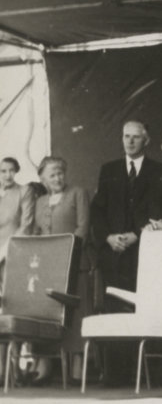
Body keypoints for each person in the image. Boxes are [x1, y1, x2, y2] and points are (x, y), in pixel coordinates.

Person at [91, 121, 162, 303]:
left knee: (143, 306)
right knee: (114, 309)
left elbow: (159, 210)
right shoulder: (109, 169)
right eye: (126, 136)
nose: (130, 141)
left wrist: (138, 235)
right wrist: (108, 237)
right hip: (113, 252)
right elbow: (98, 209)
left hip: (144, 251)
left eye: (136, 137)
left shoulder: (160, 171)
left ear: (146, 141)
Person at [30, 156, 92, 380]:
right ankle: (44, 366)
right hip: (48, 267)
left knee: (76, 315)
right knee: (48, 315)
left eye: (60, 173)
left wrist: (68, 253)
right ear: (42, 178)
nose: (57, 178)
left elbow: (83, 227)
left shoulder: (78, 193)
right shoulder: (40, 201)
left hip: (75, 264)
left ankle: (78, 367)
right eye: (52, 174)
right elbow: (37, 232)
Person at [0, 157, 35, 271]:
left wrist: (6, 250)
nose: (8, 175)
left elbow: (26, 224)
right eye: (3, 171)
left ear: (16, 171)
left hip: (12, 249)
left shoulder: (24, 191)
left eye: (11, 170)